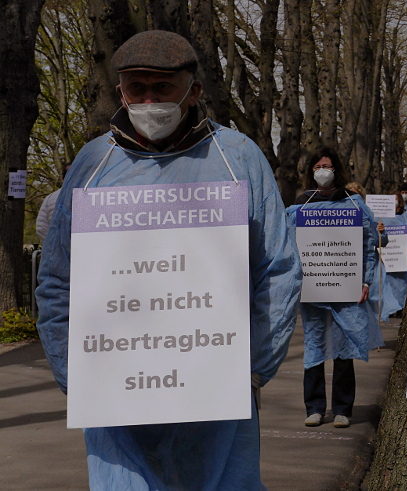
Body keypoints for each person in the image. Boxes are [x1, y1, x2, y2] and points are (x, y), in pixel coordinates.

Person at [35, 30, 301, 490]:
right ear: (120, 91)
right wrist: (73, 373)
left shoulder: (238, 158)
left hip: (217, 393)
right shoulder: (93, 164)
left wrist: (253, 367)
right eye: (136, 87)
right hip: (116, 393)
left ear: (193, 90)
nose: (148, 99)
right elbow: (59, 279)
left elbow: (276, 270)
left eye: (162, 88)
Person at [288, 148, 382, 428]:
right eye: (317, 166)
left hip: (347, 288)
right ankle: (314, 407)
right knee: (314, 344)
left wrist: (365, 281)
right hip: (314, 289)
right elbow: (290, 248)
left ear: (337, 170)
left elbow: (368, 246)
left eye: (327, 165)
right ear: (311, 172)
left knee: (345, 346)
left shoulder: (354, 205)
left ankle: (342, 408)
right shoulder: (301, 206)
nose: (322, 170)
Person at [370, 192, 407, 320]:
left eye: (396, 199)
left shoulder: (406, 216)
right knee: (387, 284)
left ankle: (402, 308)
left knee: (402, 286)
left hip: (401, 259)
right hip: (385, 259)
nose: (394, 202)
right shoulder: (379, 218)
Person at [35, 166, 69, 244]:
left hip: (57, 251)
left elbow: (41, 228)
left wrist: (52, 246)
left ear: (63, 178)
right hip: (82, 251)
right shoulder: (90, 196)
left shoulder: (50, 198)